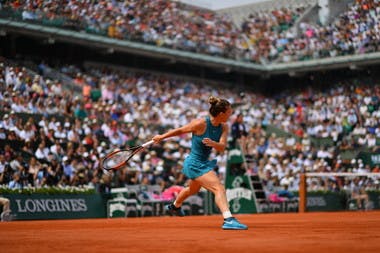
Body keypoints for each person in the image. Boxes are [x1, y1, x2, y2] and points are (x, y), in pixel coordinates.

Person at [152, 96, 248, 230]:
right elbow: (180, 130)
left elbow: (222, 147)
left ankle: (175, 206)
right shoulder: (200, 123)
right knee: (218, 188)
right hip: (194, 163)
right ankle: (228, 219)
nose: (231, 114)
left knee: (192, 189)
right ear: (221, 114)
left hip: (203, 163)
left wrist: (214, 143)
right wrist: (161, 137)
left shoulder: (224, 127)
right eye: (229, 112)